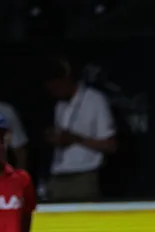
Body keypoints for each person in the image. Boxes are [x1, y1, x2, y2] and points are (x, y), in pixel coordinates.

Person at [43, 57, 118, 202]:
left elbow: (111, 145)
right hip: (58, 176)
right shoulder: (59, 105)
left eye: (55, 88)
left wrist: (75, 139)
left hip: (83, 177)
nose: (53, 93)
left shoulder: (95, 100)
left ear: (66, 80)